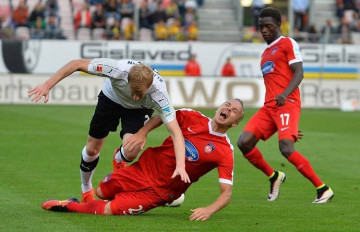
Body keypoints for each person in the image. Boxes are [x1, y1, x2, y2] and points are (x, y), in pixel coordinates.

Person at [41, 99, 245, 221]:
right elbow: (162, 116)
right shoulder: (191, 116)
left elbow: (226, 195)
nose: (228, 109)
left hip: (160, 191)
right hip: (142, 169)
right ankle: (119, 167)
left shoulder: (224, 151)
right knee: (102, 192)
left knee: (110, 210)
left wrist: (208, 210)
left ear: (235, 123)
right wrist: (143, 133)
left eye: (234, 110)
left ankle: (67, 206)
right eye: (227, 104)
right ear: (220, 107)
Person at [28, 58, 190, 203]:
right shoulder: (117, 69)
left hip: (138, 111)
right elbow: (76, 64)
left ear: (149, 87)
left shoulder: (160, 93)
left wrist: (180, 166)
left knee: (132, 151)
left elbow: (176, 132)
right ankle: (86, 190)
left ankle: (119, 158)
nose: (134, 97)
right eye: (133, 92)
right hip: (110, 100)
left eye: (139, 94)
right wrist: (47, 85)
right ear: (127, 80)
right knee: (92, 150)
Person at [237, 7, 334, 204]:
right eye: (261, 27)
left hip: (287, 102)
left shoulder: (287, 43)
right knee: (244, 142)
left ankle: (322, 189)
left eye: (268, 26)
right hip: (269, 107)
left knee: (286, 148)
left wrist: (285, 94)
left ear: (279, 26)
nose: (263, 30)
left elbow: (299, 72)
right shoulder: (265, 53)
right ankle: (274, 177)